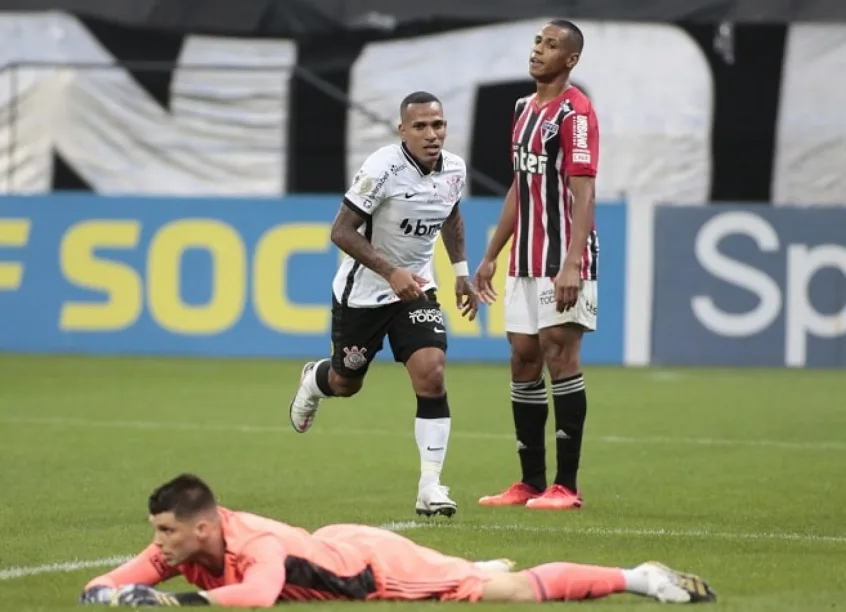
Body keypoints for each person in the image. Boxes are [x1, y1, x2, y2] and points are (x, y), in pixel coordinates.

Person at [79, 474, 716, 607]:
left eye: (166, 532)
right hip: (335, 541)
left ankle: (641, 577)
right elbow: (106, 584)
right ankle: (463, 561)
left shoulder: (256, 549)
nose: (156, 546)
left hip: (373, 568)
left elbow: (260, 595)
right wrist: (105, 597)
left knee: (509, 594)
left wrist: (171, 604)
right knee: (459, 568)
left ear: (203, 527)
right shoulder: (183, 545)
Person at [287, 91, 476, 518]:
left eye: (439, 125)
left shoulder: (455, 170)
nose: (432, 134)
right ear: (403, 130)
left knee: (432, 375)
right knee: (345, 383)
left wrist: (461, 272)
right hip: (364, 293)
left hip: (416, 290)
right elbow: (341, 231)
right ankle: (314, 380)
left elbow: (451, 217)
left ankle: (430, 485)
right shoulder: (383, 168)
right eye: (422, 126)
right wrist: (391, 272)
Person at [474, 20, 600, 510]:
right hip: (524, 260)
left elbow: (584, 193)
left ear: (570, 60)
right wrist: (490, 255)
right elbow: (519, 188)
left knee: (558, 353)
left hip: (564, 259)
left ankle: (565, 487)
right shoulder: (523, 109)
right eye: (537, 42)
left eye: (551, 46)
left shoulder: (577, 112)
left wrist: (572, 264)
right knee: (523, 358)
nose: (539, 51)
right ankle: (530, 482)